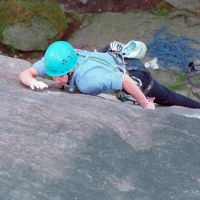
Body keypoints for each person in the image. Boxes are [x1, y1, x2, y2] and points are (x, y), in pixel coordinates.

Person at [19, 40, 200, 110]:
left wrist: (145, 103)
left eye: (58, 76)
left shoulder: (87, 81)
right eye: (52, 76)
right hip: (110, 59)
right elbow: (25, 73)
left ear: (70, 68)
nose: (55, 80)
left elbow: (124, 80)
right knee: (108, 58)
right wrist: (32, 82)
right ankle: (112, 49)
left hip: (132, 74)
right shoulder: (57, 59)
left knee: (167, 97)